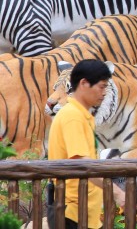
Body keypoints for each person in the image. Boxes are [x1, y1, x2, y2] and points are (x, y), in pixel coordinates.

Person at [47, 59, 125, 229]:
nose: (104, 92)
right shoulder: (72, 116)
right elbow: (82, 163)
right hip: (72, 213)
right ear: (84, 83)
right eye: (101, 86)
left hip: (81, 214)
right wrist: (117, 193)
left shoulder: (81, 115)